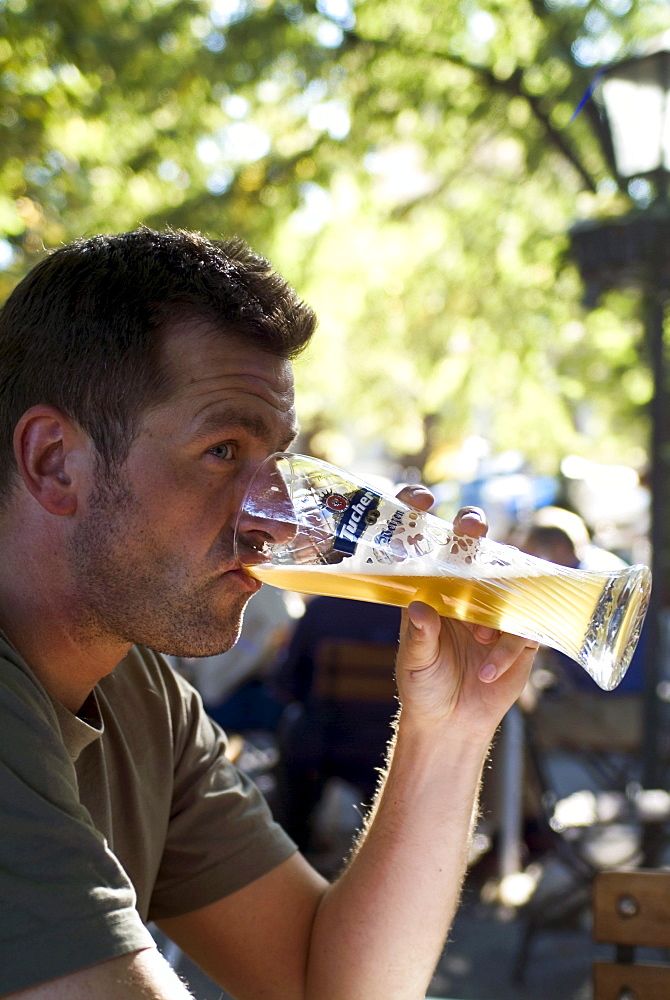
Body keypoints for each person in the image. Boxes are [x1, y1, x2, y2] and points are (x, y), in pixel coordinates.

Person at [0, 227, 538, 1000]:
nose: (276, 523)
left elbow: (333, 985)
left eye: (277, 465)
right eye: (223, 450)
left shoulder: (138, 693)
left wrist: (450, 726)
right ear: (55, 461)